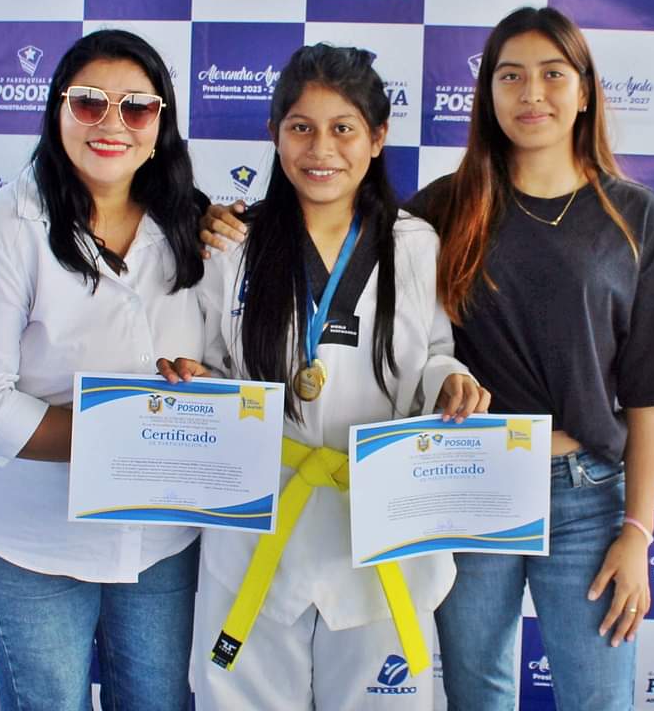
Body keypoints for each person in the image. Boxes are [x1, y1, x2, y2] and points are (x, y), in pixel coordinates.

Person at [200, 7, 654, 711]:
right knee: (476, 690)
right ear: (487, 93)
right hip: (465, 482)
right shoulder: (443, 211)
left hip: (583, 488)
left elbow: (650, 386)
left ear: (585, 90)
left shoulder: (632, 214)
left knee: (596, 694)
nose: (531, 94)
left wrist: (639, 531)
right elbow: (413, 325)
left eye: (553, 75)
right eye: (510, 76)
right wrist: (217, 221)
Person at [159, 44, 488, 710]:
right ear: (274, 133)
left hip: (375, 517)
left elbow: (432, 352)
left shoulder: (414, 244)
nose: (321, 148)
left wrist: (451, 380)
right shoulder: (232, 243)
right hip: (259, 512)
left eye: (343, 128)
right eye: (301, 127)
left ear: (377, 138)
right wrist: (195, 378)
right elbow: (213, 361)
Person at [0, 30, 205, 711]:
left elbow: (222, 355)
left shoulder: (191, 224)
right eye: (89, 103)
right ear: (57, 112)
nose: (112, 124)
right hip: (29, 534)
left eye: (136, 107)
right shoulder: (4, 228)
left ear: (160, 125)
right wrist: (119, 440)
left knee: (159, 701)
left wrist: (198, 385)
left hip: (159, 533)